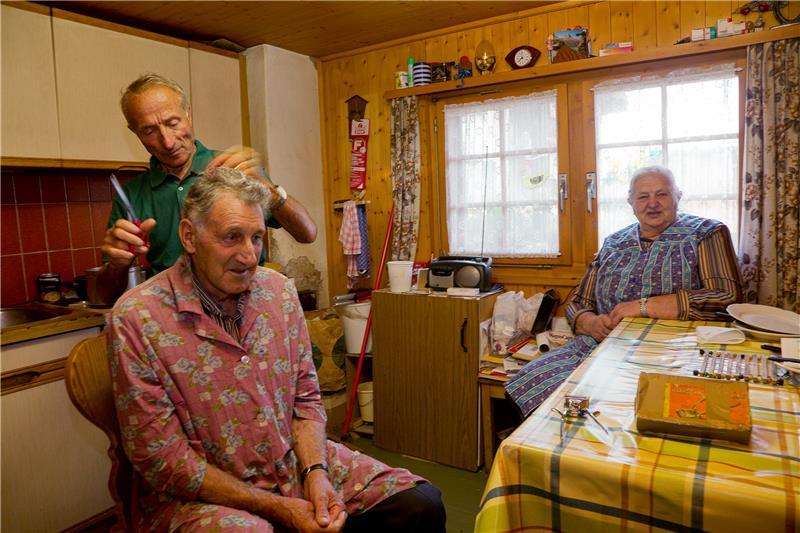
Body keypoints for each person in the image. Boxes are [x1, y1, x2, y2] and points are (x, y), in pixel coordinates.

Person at [107, 167, 446, 532]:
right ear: (189, 236)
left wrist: (315, 472)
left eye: (256, 237)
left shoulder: (279, 292)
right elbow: (164, 461)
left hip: (290, 462)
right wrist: (278, 506)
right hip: (201, 494)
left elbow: (306, 400)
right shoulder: (137, 318)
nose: (250, 255)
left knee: (419, 505)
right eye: (232, 237)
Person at [506, 165, 744, 417]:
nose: (652, 203)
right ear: (631, 202)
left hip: (674, 353)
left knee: (643, 410)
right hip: (600, 348)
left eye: (661, 194)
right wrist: (590, 322)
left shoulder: (706, 233)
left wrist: (642, 306)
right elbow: (577, 303)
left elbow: (727, 297)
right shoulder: (613, 243)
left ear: (678, 196)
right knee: (534, 384)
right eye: (643, 196)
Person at [98, 73, 317, 304]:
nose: (168, 142)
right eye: (149, 131)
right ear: (134, 132)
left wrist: (269, 190)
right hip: (174, 320)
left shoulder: (234, 169)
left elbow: (307, 233)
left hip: (247, 308)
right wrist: (116, 266)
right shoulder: (132, 196)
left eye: (173, 123)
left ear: (188, 114)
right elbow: (105, 297)